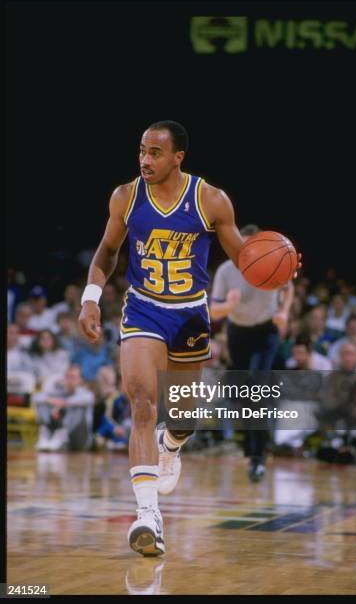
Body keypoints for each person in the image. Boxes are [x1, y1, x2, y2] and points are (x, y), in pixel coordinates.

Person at [77, 119, 303, 556]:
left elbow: (244, 257)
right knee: (142, 403)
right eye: (141, 150)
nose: (145, 159)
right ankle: (147, 515)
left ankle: (172, 443)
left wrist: (278, 268)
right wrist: (91, 298)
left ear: (178, 156)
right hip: (144, 309)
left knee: (183, 417)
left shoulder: (210, 200)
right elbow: (107, 251)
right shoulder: (126, 196)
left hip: (190, 315)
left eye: (155, 152)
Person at [210, 224, 295, 482]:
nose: (247, 251)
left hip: (266, 332)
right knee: (248, 394)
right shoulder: (226, 270)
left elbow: (288, 287)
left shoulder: (270, 261)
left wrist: (284, 312)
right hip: (238, 333)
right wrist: (229, 305)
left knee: (257, 385)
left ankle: (257, 456)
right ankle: (255, 450)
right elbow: (214, 311)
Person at [32, 364, 95, 452]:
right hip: (63, 438)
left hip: (80, 439)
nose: (69, 380)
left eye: (73, 377)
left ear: (80, 380)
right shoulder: (59, 391)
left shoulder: (85, 394)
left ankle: (61, 434)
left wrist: (61, 404)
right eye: (67, 376)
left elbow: (88, 399)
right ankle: (45, 435)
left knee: (77, 407)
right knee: (43, 404)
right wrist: (50, 400)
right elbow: (36, 397)